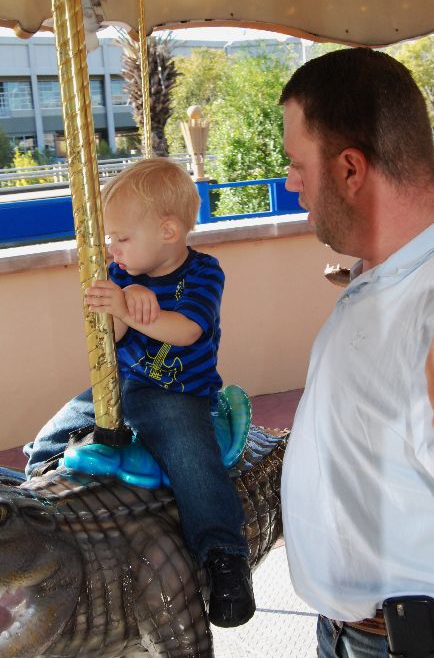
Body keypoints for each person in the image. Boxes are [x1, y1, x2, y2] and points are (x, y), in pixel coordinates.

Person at [24, 157, 255, 629]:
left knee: (192, 460)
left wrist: (131, 310)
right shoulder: (120, 273)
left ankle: (224, 555)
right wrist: (116, 305)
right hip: (123, 384)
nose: (112, 248)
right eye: (110, 239)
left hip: (178, 395)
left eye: (122, 238)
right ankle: (31, 503)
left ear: (168, 232)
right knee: (54, 432)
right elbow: (110, 339)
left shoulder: (204, 273)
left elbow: (187, 330)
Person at [279, 48, 434, 658]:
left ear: (350, 169)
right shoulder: (386, 267)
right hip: (353, 634)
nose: (291, 183)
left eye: (298, 166)